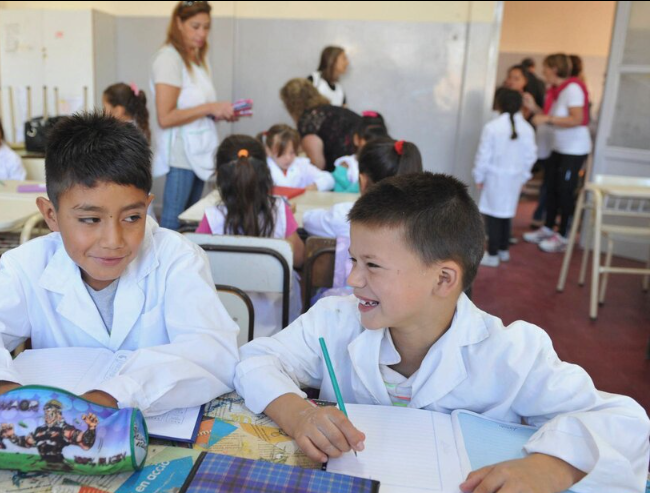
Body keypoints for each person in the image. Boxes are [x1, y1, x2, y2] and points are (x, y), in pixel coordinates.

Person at [234, 172, 650, 493]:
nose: (353, 279)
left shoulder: (511, 351)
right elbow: (255, 360)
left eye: (372, 265)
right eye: (354, 260)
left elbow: (624, 421)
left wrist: (551, 467)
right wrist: (298, 413)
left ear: (444, 279)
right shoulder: (334, 320)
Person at [0, 112, 240, 415]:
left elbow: (213, 352)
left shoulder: (177, 259)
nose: (113, 240)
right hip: (51, 426)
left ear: (147, 206)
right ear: (51, 215)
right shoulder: (29, 266)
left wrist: (114, 396)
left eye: (132, 217)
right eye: (90, 219)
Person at [196, 135, 303, 338]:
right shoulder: (280, 211)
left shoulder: (212, 218)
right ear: (265, 172)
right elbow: (299, 258)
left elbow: (197, 266)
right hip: (276, 331)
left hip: (225, 330)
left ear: (218, 175)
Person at [151, 1, 237, 230]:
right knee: (173, 223)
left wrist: (218, 112)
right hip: (181, 155)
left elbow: (196, 107)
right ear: (179, 23)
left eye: (206, 27)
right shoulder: (169, 59)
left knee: (190, 221)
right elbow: (165, 117)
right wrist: (209, 107)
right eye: (195, 26)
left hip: (199, 150)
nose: (202, 33)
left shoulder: (198, 58)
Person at [303, 138, 422, 301]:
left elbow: (308, 220)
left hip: (350, 302)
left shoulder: (346, 214)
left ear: (362, 181)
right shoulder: (423, 223)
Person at [523, 54, 591, 253]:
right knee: (551, 188)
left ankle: (563, 236)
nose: (543, 71)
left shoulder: (573, 89)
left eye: (545, 67)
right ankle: (547, 228)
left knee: (565, 191)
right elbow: (550, 117)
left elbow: (577, 119)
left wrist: (547, 119)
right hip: (558, 147)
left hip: (573, 149)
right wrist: (534, 107)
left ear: (554, 68)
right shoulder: (556, 91)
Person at [473, 88, 537, 267]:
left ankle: (493, 254)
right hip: (515, 179)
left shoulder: (492, 127)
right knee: (507, 214)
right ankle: (503, 250)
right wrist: (524, 177)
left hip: (495, 177)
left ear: (499, 104)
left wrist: (479, 176)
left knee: (494, 216)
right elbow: (530, 156)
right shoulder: (527, 128)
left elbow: (483, 155)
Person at [280, 78, 361, 171]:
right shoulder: (333, 110)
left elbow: (318, 165)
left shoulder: (308, 121)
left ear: (291, 105)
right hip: (366, 162)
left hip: (348, 172)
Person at [260, 124, 334, 191]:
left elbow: (329, 179)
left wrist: (314, 187)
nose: (288, 158)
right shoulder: (263, 170)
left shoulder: (301, 165)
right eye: (282, 153)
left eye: (292, 152)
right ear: (268, 151)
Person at [332, 111, 389, 193]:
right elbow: (337, 195)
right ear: (356, 139)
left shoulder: (386, 163)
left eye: (378, 140)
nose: (373, 144)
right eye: (368, 139)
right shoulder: (347, 165)